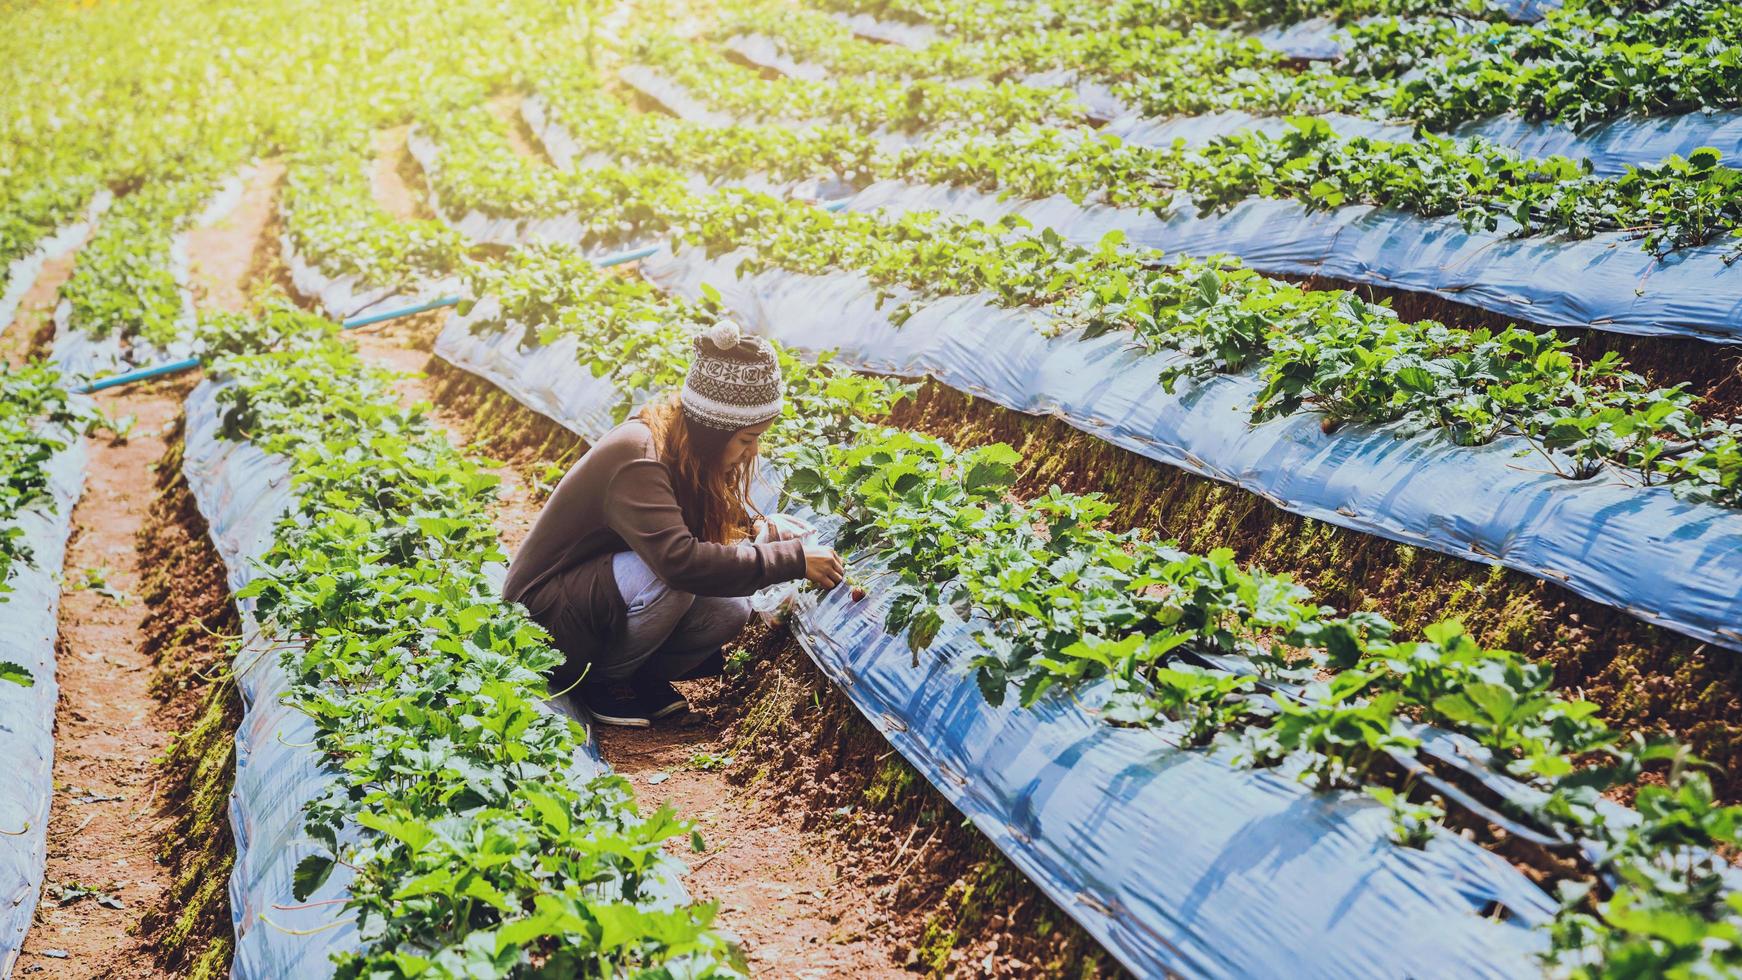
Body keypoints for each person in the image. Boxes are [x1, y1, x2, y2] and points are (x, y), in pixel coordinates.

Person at [503, 320, 845, 727]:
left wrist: (756, 527)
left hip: (588, 606)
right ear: (713, 430)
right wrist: (792, 559)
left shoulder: (680, 446)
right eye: (747, 438)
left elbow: (687, 516)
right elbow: (678, 560)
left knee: (731, 609)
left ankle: (642, 676)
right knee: (672, 580)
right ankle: (605, 682)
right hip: (541, 620)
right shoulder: (640, 455)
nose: (752, 450)